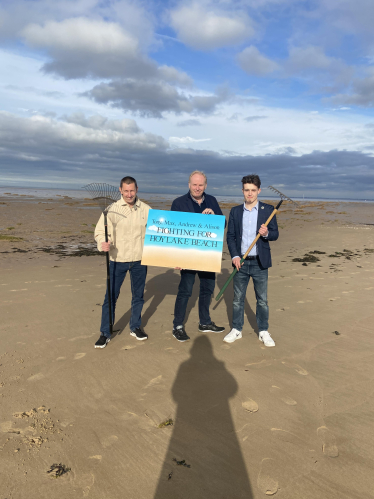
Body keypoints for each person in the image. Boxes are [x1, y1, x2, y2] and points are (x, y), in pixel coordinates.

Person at [93, 176, 151, 348]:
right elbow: (100, 232)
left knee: (138, 297)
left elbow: (158, 234)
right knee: (110, 297)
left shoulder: (146, 210)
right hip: (117, 260)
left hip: (140, 260)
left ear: (137, 189)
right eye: (126, 191)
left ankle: (135, 327)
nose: (129, 194)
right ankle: (105, 332)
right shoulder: (111, 209)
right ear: (120, 190)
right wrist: (102, 243)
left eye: (132, 190)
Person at [224, 174, 279, 347]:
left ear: (259, 191)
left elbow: (275, 234)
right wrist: (234, 256)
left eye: (253, 190)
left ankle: (263, 330)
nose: (250, 194)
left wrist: (266, 234)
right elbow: (231, 236)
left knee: (262, 299)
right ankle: (236, 329)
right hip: (241, 262)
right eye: (246, 190)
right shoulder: (235, 211)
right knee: (237, 299)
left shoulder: (268, 211)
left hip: (260, 262)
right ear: (242, 191)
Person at [171, 171, 225, 342]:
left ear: (205, 186)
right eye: (194, 184)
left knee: (207, 289)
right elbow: (173, 232)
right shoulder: (179, 203)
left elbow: (222, 224)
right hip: (187, 255)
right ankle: (177, 326)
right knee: (185, 290)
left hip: (207, 255)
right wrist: (175, 257)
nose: (197, 188)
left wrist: (215, 217)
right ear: (189, 185)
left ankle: (205, 322)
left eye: (200, 185)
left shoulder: (212, 201)